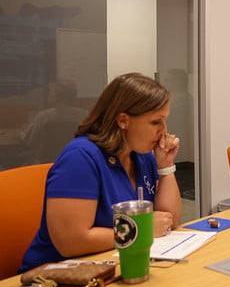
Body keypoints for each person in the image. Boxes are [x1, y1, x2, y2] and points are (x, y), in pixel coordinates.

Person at [20, 73, 182, 272]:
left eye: (164, 121)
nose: (164, 131)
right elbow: (71, 242)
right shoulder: (80, 158)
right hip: (57, 278)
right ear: (123, 120)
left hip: (115, 265)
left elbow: (169, 221)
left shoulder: (142, 155)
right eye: (156, 122)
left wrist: (166, 167)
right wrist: (142, 230)